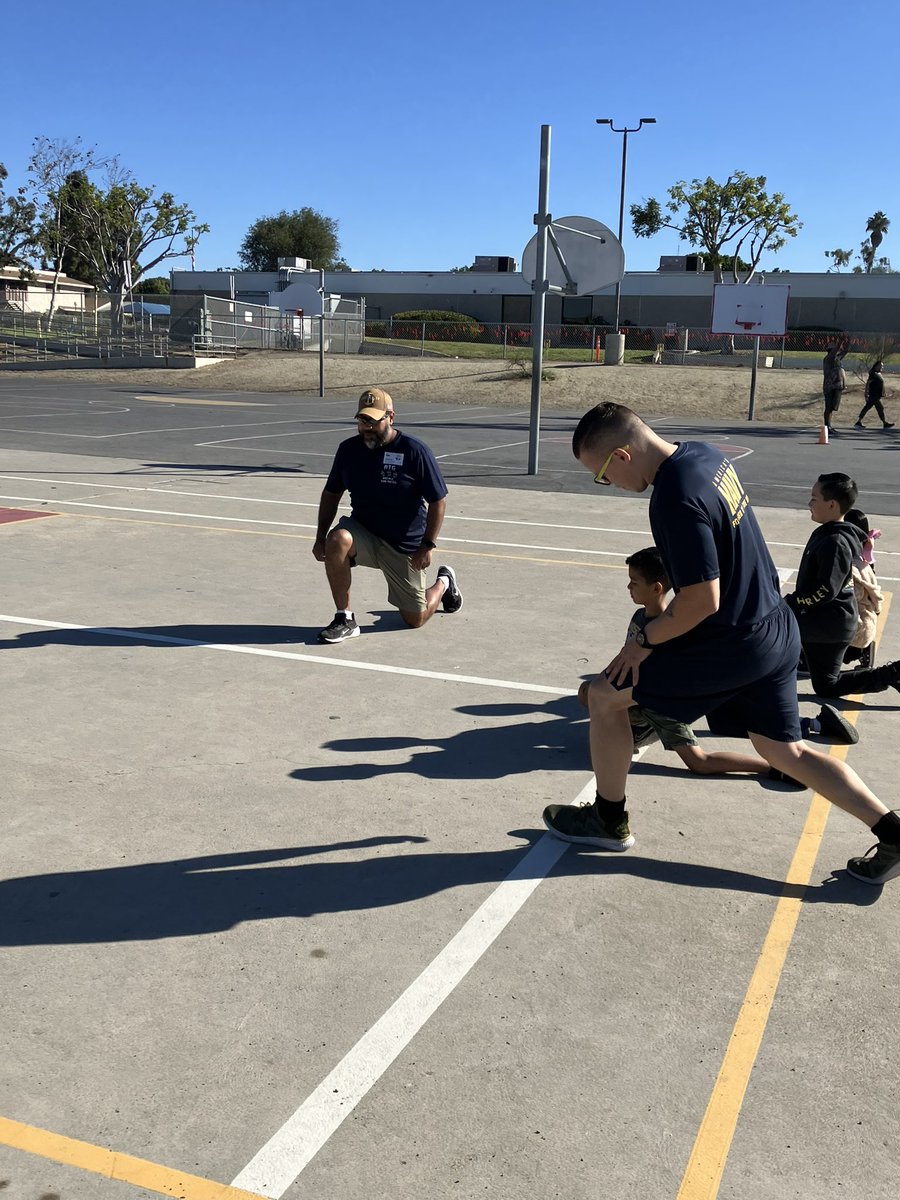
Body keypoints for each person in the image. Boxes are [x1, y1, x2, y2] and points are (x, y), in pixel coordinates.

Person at [542, 401, 900, 886]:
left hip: (731, 644)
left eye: (602, 474)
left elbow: (701, 601)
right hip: (774, 626)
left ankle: (607, 819)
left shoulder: (672, 496)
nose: (608, 485)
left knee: (605, 697)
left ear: (622, 456)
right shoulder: (705, 456)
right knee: (785, 752)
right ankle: (893, 830)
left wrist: (642, 641)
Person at [578, 546, 803, 786]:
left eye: (634, 582)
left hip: (662, 703)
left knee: (700, 763)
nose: (628, 587)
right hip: (636, 697)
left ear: (656, 588)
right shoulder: (639, 618)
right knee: (588, 693)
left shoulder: (670, 629)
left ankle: (773, 768)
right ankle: (640, 728)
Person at [312, 387, 463, 642]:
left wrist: (427, 545)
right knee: (337, 539)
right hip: (365, 534)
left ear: (391, 417)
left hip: (404, 546)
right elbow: (331, 494)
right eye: (362, 421)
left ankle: (444, 582)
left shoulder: (414, 451)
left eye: (374, 420)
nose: (367, 427)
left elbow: (438, 500)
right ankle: (344, 618)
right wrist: (319, 538)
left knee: (415, 619)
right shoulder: (348, 451)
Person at [784, 473, 899, 707]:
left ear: (832, 504)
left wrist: (793, 603)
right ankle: (892, 674)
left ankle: (892, 673)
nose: (810, 503)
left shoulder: (834, 541)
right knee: (827, 685)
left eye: (814, 498)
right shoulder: (832, 533)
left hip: (827, 626)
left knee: (770, 630)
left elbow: (826, 589)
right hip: (831, 623)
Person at [842, 508, 883, 670]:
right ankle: (863, 650)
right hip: (866, 621)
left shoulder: (850, 562)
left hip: (852, 627)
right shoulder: (866, 556)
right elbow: (875, 594)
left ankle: (859, 651)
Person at [854, 360, 894, 430]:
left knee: (867, 408)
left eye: (882, 366)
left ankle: (858, 422)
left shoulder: (878, 374)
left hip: (877, 395)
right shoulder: (873, 374)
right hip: (874, 395)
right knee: (880, 408)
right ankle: (885, 423)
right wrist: (866, 394)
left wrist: (883, 393)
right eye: (881, 366)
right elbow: (868, 384)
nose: (882, 367)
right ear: (877, 366)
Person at [822, 335, 849, 435]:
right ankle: (827, 426)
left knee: (832, 407)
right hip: (829, 386)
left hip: (837, 386)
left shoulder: (837, 359)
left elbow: (845, 351)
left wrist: (848, 340)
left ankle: (829, 425)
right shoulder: (828, 358)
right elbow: (838, 348)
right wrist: (841, 340)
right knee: (828, 407)